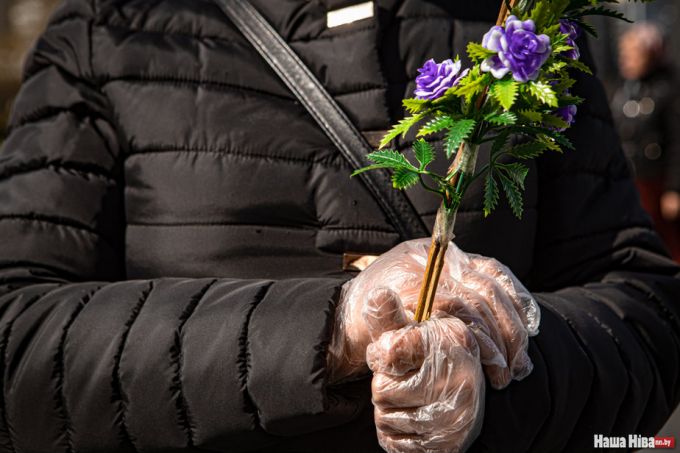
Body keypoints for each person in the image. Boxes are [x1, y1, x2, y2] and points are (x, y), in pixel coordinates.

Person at [0, 1, 678, 452]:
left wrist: (503, 362)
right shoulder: (109, 29)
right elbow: (18, 339)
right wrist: (329, 329)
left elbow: (646, 314)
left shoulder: (519, 29)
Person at [611, 22, 680, 260]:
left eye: (633, 54)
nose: (625, 60)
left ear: (650, 54)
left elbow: (676, 142)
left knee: (666, 242)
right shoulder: (622, 89)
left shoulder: (668, 90)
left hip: (657, 183)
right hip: (630, 181)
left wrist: (674, 189)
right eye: (623, 54)